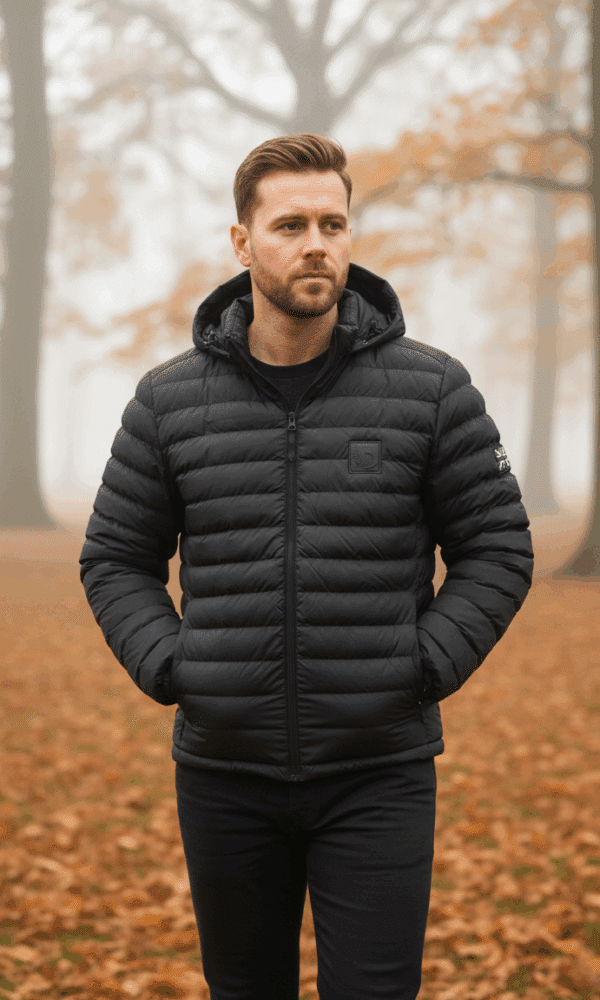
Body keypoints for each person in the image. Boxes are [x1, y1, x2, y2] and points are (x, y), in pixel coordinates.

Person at [80, 133, 534, 1000]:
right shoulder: (169, 401)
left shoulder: (431, 390)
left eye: (334, 221)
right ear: (243, 243)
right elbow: (115, 556)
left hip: (379, 771)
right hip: (224, 771)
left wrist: (424, 664)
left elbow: (497, 548)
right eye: (290, 224)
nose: (316, 242)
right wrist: (172, 665)